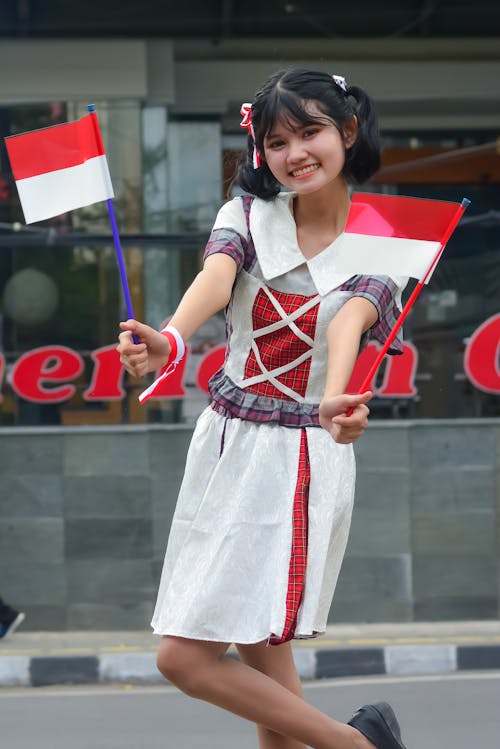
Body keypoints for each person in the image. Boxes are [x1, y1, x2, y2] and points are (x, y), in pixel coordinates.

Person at [118, 68, 408, 749]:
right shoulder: (247, 214)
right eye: (277, 141)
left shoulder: (386, 238)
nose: (295, 153)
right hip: (226, 442)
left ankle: (357, 745)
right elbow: (216, 280)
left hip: (302, 453)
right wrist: (172, 338)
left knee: (182, 657)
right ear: (261, 151)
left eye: (310, 132)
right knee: (261, 650)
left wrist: (336, 396)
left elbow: (347, 323)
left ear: (348, 130)